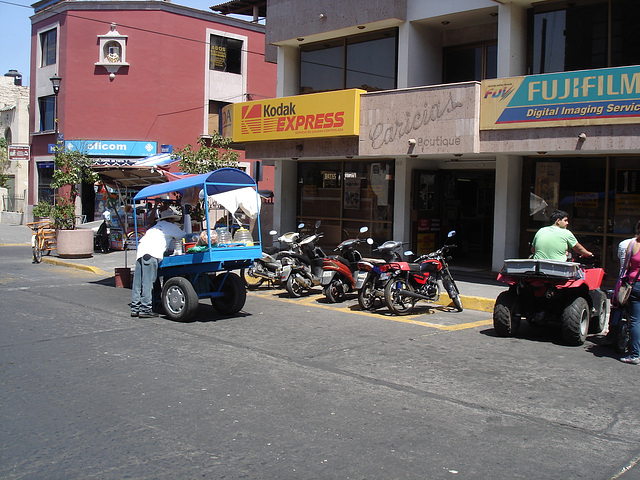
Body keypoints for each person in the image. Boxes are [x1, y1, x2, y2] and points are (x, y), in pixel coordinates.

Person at [131, 207, 186, 318]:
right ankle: (145, 309)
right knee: (148, 281)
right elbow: (184, 236)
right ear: (171, 219)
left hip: (141, 252)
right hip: (152, 254)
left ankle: (135, 307)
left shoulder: (154, 227)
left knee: (138, 282)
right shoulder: (170, 227)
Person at [619, 220, 640, 365]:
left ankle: (634, 355)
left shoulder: (632, 244)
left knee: (636, 321)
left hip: (635, 284)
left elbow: (626, 266)